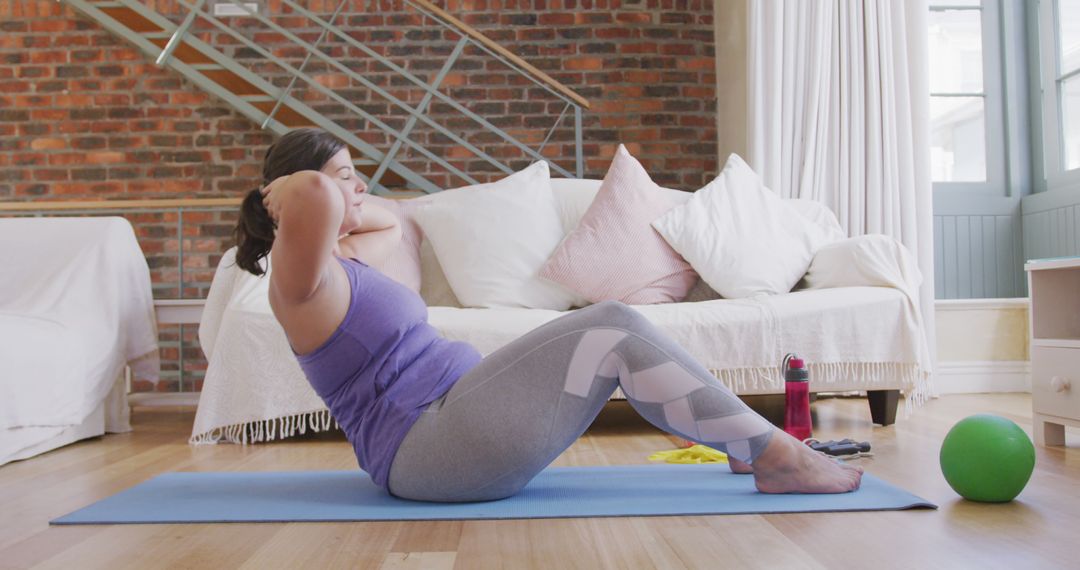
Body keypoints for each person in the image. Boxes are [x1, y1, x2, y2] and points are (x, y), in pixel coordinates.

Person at [234, 128, 863, 503]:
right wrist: (297, 189)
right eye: (347, 176)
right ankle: (776, 456)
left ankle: (746, 442)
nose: (360, 186)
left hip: (455, 420)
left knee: (614, 329)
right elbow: (317, 197)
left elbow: (388, 217)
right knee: (611, 325)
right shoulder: (300, 287)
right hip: (426, 448)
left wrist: (333, 190)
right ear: (296, 196)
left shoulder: (350, 260)